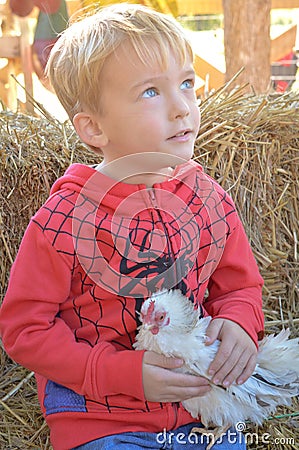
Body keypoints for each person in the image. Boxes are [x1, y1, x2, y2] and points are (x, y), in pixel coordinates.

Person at [0, 3, 264, 450]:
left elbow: (240, 287)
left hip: (200, 409)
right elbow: (25, 329)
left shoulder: (209, 200)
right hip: (101, 421)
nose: (183, 108)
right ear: (93, 127)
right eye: (150, 92)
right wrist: (122, 373)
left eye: (185, 83)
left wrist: (241, 323)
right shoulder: (62, 221)